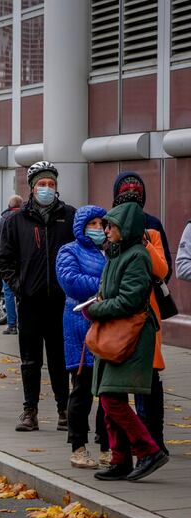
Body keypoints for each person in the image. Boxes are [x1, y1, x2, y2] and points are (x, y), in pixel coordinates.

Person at [88, 202, 169, 482]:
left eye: (111, 226)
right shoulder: (116, 253)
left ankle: (149, 451)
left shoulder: (136, 256)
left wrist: (96, 309)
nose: (105, 230)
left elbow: (130, 300)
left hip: (131, 336)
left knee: (112, 398)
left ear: (127, 228)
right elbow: (108, 292)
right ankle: (120, 460)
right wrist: (98, 302)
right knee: (112, 397)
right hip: (115, 334)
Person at [0, 161, 76, 432]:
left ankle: (64, 410)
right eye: (41, 184)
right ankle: (30, 411)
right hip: (30, 302)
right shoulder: (17, 220)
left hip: (60, 302)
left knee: (59, 359)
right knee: (30, 360)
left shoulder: (69, 216)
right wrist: (20, 286)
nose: (46, 189)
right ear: (32, 188)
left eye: (51, 184)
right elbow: (4, 258)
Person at [111, 172, 171, 457]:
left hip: (147, 318)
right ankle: (118, 447)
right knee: (114, 386)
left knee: (149, 384)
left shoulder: (153, 228)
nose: (132, 194)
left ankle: (153, 441)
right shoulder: (111, 225)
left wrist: (145, 240)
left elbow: (162, 271)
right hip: (118, 319)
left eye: (137, 190)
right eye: (126, 190)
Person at [55, 205, 109, 469]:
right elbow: (71, 282)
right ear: (81, 226)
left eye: (102, 223)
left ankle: (107, 446)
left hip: (108, 325)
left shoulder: (110, 250)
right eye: (93, 223)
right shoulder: (69, 251)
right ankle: (78, 446)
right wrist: (105, 285)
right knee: (83, 388)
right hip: (80, 326)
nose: (98, 228)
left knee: (109, 391)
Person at [0, 194, 23, 335]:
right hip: (24, 264)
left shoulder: (2, 221)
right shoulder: (26, 219)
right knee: (24, 293)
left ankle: (12, 325)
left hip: (8, 265)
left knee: (9, 293)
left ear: (9, 206)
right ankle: (23, 324)